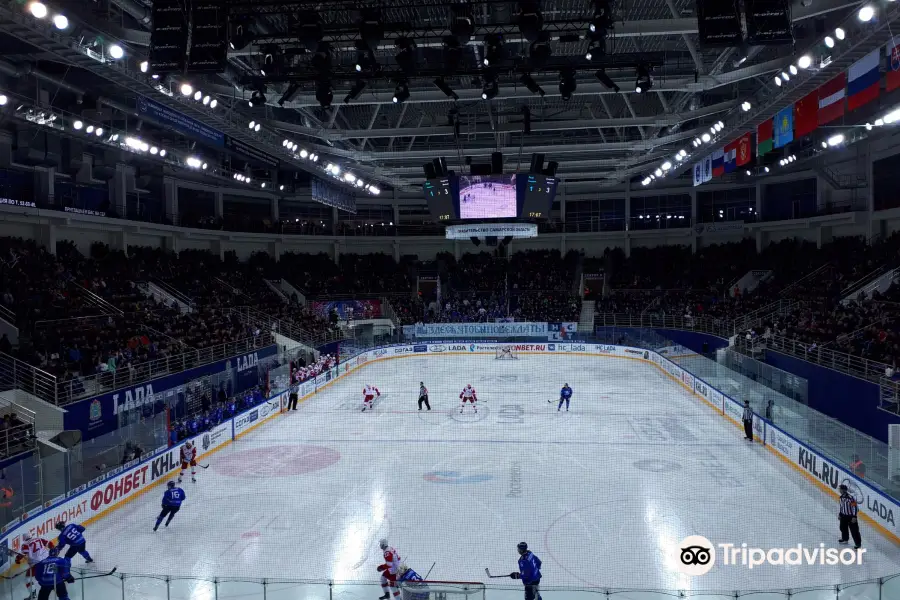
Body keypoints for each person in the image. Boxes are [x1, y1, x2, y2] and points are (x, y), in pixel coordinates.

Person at [16, 532, 53, 599]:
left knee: (27, 578)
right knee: (50, 572)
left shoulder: (25, 544)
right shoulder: (38, 539)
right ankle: (57, 582)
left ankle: (33, 595)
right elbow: (50, 543)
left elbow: (23, 554)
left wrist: (17, 559)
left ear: (24, 538)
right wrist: (53, 550)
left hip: (37, 564)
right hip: (48, 560)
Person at [838, 483, 862, 549]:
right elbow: (841, 506)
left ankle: (858, 544)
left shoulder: (850, 498)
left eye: (840, 489)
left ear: (843, 490)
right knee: (842, 528)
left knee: (854, 531)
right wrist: (840, 514)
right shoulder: (841, 497)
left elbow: (855, 507)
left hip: (851, 517)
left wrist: (854, 517)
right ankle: (845, 539)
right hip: (843, 516)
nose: (839, 490)